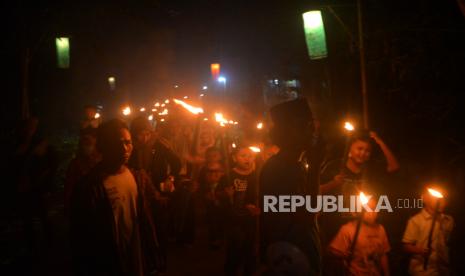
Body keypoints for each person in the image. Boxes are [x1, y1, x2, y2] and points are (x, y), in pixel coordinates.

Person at [70, 119, 159, 276]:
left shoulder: (137, 177)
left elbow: (147, 213)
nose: (125, 149)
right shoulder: (91, 186)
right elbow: (82, 235)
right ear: (103, 146)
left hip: (136, 255)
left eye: (128, 142)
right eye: (118, 143)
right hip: (108, 261)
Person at [260, 98, 322, 275]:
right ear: (288, 131)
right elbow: (307, 214)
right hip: (290, 258)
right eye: (306, 125)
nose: (313, 131)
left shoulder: (295, 164)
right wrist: (316, 167)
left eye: (312, 124)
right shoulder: (281, 167)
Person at [219, 146, 260, 276]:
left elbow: (258, 194)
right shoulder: (229, 175)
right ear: (234, 158)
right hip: (234, 218)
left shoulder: (256, 175)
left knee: (250, 246)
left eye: (250, 156)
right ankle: (231, 270)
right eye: (243, 155)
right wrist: (226, 194)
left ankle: (249, 270)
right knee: (234, 246)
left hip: (251, 217)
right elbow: (218, 194)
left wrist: (255, 206)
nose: (247, 159)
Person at [329, 197, 391, 276]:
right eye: (368, 209)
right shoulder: (348, 229)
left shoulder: (381, 229)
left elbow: (383, 254)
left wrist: (387, 274)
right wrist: (343, 255)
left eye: (374, 209)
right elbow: (332, 251)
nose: (372, 213)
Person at [402, 186, 454, 275]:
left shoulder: (448, 220)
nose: (441, 201)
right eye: (436, 199)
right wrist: (420, 251)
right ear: (425, 200)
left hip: (443, 270)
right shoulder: (416, 221)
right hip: (423, 271)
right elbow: (406, 246)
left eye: (443, 199)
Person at [64, 127, 101, 213]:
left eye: (88, 140)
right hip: (81, 207)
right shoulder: (75, 164)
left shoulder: (102, 161)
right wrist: (67, 206)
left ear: (96, 140)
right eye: (83, 141)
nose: (85, 143)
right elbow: (69, 186)